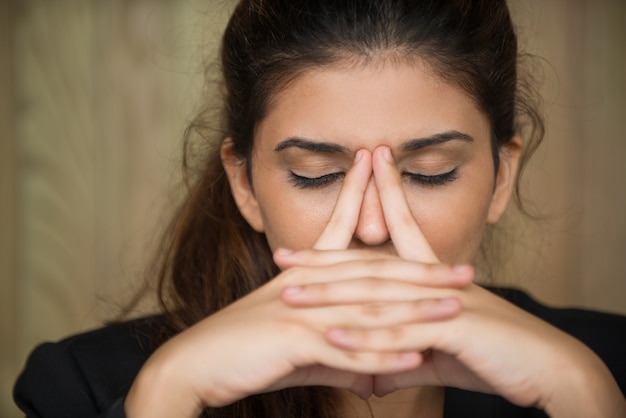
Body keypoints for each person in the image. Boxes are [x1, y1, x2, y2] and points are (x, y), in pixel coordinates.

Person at [13, 0, 626, 417]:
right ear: (246, 184)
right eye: (318, 175)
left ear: (500, 179)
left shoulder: (609, 367)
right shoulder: (84, 389)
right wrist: (168, 394)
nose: (372, 226)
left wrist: (585, 395)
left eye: (426, 173)